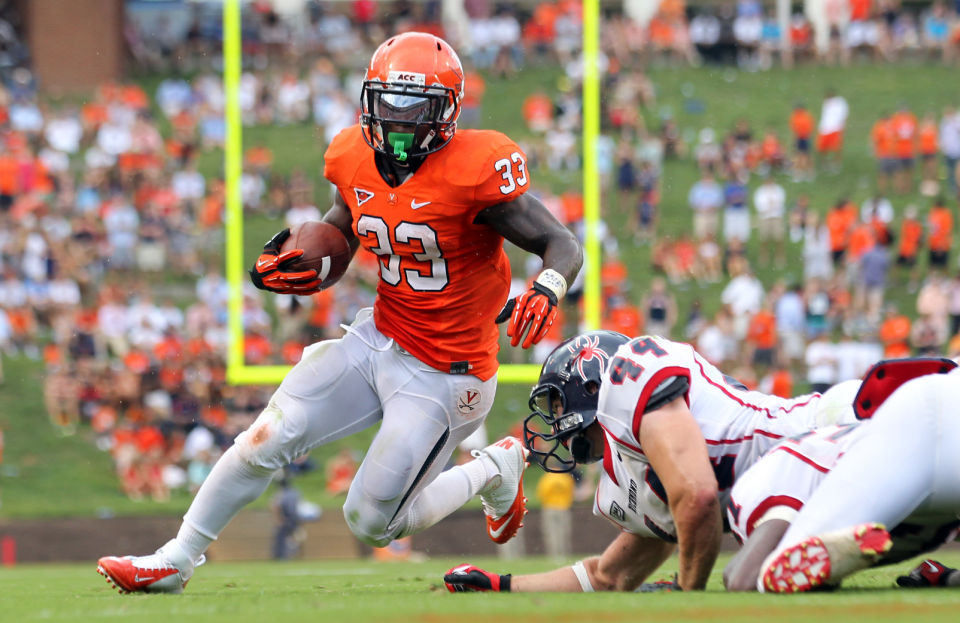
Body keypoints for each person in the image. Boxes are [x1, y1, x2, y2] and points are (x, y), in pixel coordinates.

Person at [96, 32, 582, 594]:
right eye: (388, 104)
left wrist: (545, 289)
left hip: (447, 373)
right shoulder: (353, 155)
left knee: (372, 522)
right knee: (267, 435)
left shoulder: (476, 166)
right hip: (378, 336)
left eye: (413, 109)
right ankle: (176, 559)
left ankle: (493, 468)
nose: (397, 122)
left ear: (446, 111)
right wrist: (309, 263)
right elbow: (345, 227)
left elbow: (560, 242)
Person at [443, 330, 859, 593]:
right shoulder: (627, 468)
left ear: (591, 384)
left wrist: (686, 589)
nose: (554, 420)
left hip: (827, 434)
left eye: (557, 402)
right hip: (795, 493)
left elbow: (697, 499)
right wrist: (502, 585)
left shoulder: (627, 380)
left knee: (747, 580)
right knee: (754, 573)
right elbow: (608, 577)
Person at [722, 357, 960, 593]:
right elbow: (743, 576)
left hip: (922, 430)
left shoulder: (821, 456)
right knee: (771, 571)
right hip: (932, 418)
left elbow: (743, 578)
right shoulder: (793, 465)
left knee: (774, 573)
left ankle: (823, 565)